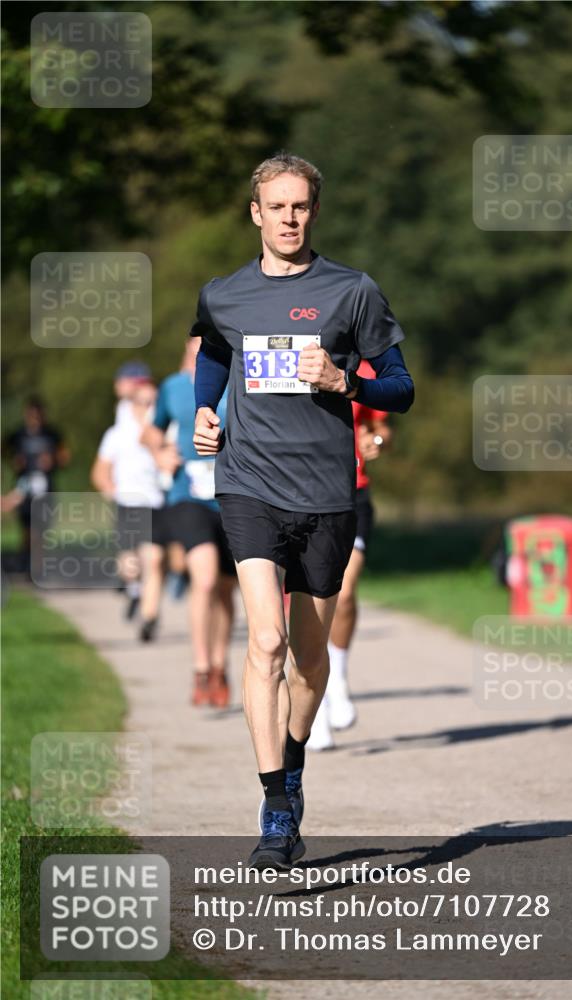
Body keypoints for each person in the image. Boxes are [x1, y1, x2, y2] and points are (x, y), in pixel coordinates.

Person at [192, 152, 414, 869]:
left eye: (300, 206)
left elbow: (402, 388)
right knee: (264, 643)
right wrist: (204, 410)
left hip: (327, 493)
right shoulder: (224, 294)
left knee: (308, 657)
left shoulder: (351, 292)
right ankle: (275, 808)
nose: (288, 218)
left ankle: (291, 764)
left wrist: (347, 380)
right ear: (254, 212)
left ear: (312, 211)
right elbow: (216, 354)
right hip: (249, 483)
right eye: (275, 206)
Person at [142, 337, 236, 708]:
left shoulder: (234, 381)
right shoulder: (173, 387)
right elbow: (150, 430)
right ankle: (200, 668)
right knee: (206, 576)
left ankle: (219, 664)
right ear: (187, 345)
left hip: (231, 497)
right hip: (187, 496)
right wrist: (160, 450)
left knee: (227, 588)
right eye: (202, 344)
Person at [308, 359, 391, 750]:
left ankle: (337, 678)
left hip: (351, 493)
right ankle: (315, 708)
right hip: (301, 494)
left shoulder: (364, 368)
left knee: (342, 591)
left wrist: (376, 442)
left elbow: (379, 427)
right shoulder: (290, 353)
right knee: (305, 606)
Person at [91, 379, 164, 621]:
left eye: (154, 402)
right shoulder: (116, 435)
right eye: (144, 402)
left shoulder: (162, 431)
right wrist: (111, 489)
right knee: (129, 562)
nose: (149, 406)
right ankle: (133, 590)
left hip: (156, 503)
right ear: (132, 405)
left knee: (153, 559)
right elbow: (100, 471)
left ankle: (149, 617)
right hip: (128, 503)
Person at [3, 397, 69, 568]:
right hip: (24, 487)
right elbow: (5, 451)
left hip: (45, 488)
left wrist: (52, 460)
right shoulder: (18, 434)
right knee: (27, 528)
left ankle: (39, 565)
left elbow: (65, 457)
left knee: (41, 529)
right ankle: (27, 562)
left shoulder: (52, 434)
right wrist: (15, 461)